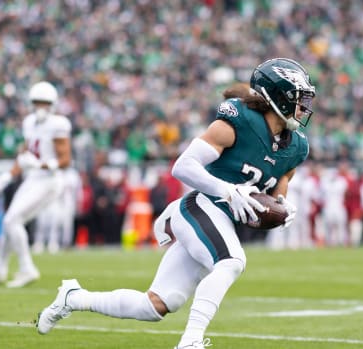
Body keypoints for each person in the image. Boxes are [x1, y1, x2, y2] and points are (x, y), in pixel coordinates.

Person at [35, 58, 315, 349]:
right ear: (276, 95)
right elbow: (183, 166)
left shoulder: (296, 146)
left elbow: (280, 185)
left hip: (220, 220)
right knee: (231, 262)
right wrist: (229, 191)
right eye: (298, 99)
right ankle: (190, 342)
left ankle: (73, 298)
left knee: (155, 305)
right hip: (201, 206)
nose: (304, 107)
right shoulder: (240, 121)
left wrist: (282, 204)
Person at [0, 81, 72, 288]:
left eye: (44, 103)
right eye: (37, 103)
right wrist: (10, 175)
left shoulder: (58, 124)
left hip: (50, 181)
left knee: (12, 220)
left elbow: (65, 161)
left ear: (52, 105)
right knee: (8, 222)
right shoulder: (29, 123)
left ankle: (27, 268)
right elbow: (26, 154)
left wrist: (42, 164)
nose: (40, 107)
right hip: (33, 179)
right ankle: (0, 270)